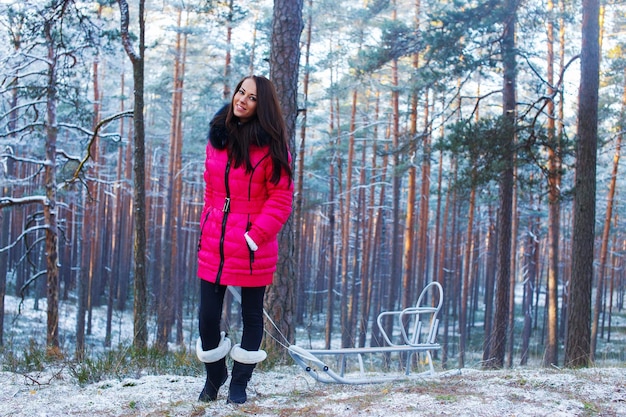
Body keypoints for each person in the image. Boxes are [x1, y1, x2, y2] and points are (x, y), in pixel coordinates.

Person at [195, 75, 294, 404]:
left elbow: (280, 199)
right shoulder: (217, 136)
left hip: (252, 245)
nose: (242, 100)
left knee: (252, 317)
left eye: (252, 97)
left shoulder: (273, 146)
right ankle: (215, 376)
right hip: (215, 240)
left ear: (260, 105)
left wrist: (254, 237)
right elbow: (211, 189)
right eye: (241, 92)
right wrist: (209, 220)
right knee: (207, 317)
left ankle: (239, 383)